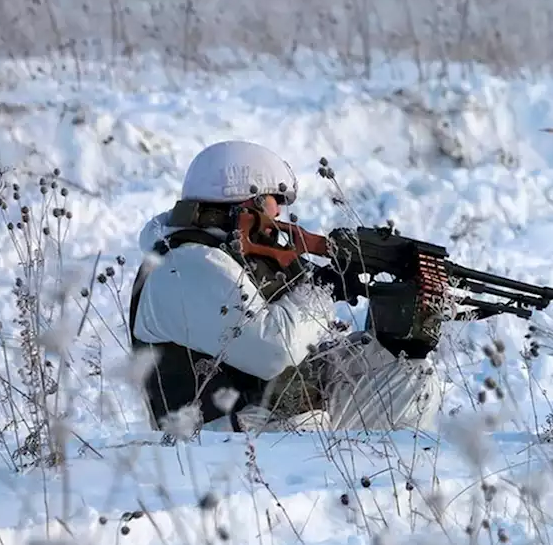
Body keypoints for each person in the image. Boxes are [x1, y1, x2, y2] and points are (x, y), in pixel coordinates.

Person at [128, 140, 445, 434]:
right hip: (213, 443)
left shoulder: (232, 257)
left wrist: (394, 335)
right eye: (273, 200)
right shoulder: (185, 265)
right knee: (299, 413)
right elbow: (274, 351)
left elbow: (304, 356)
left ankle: (390, 479)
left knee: (409, 371)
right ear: (243, 202)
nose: (278, 212)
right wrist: (323, 290)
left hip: (266, 417)